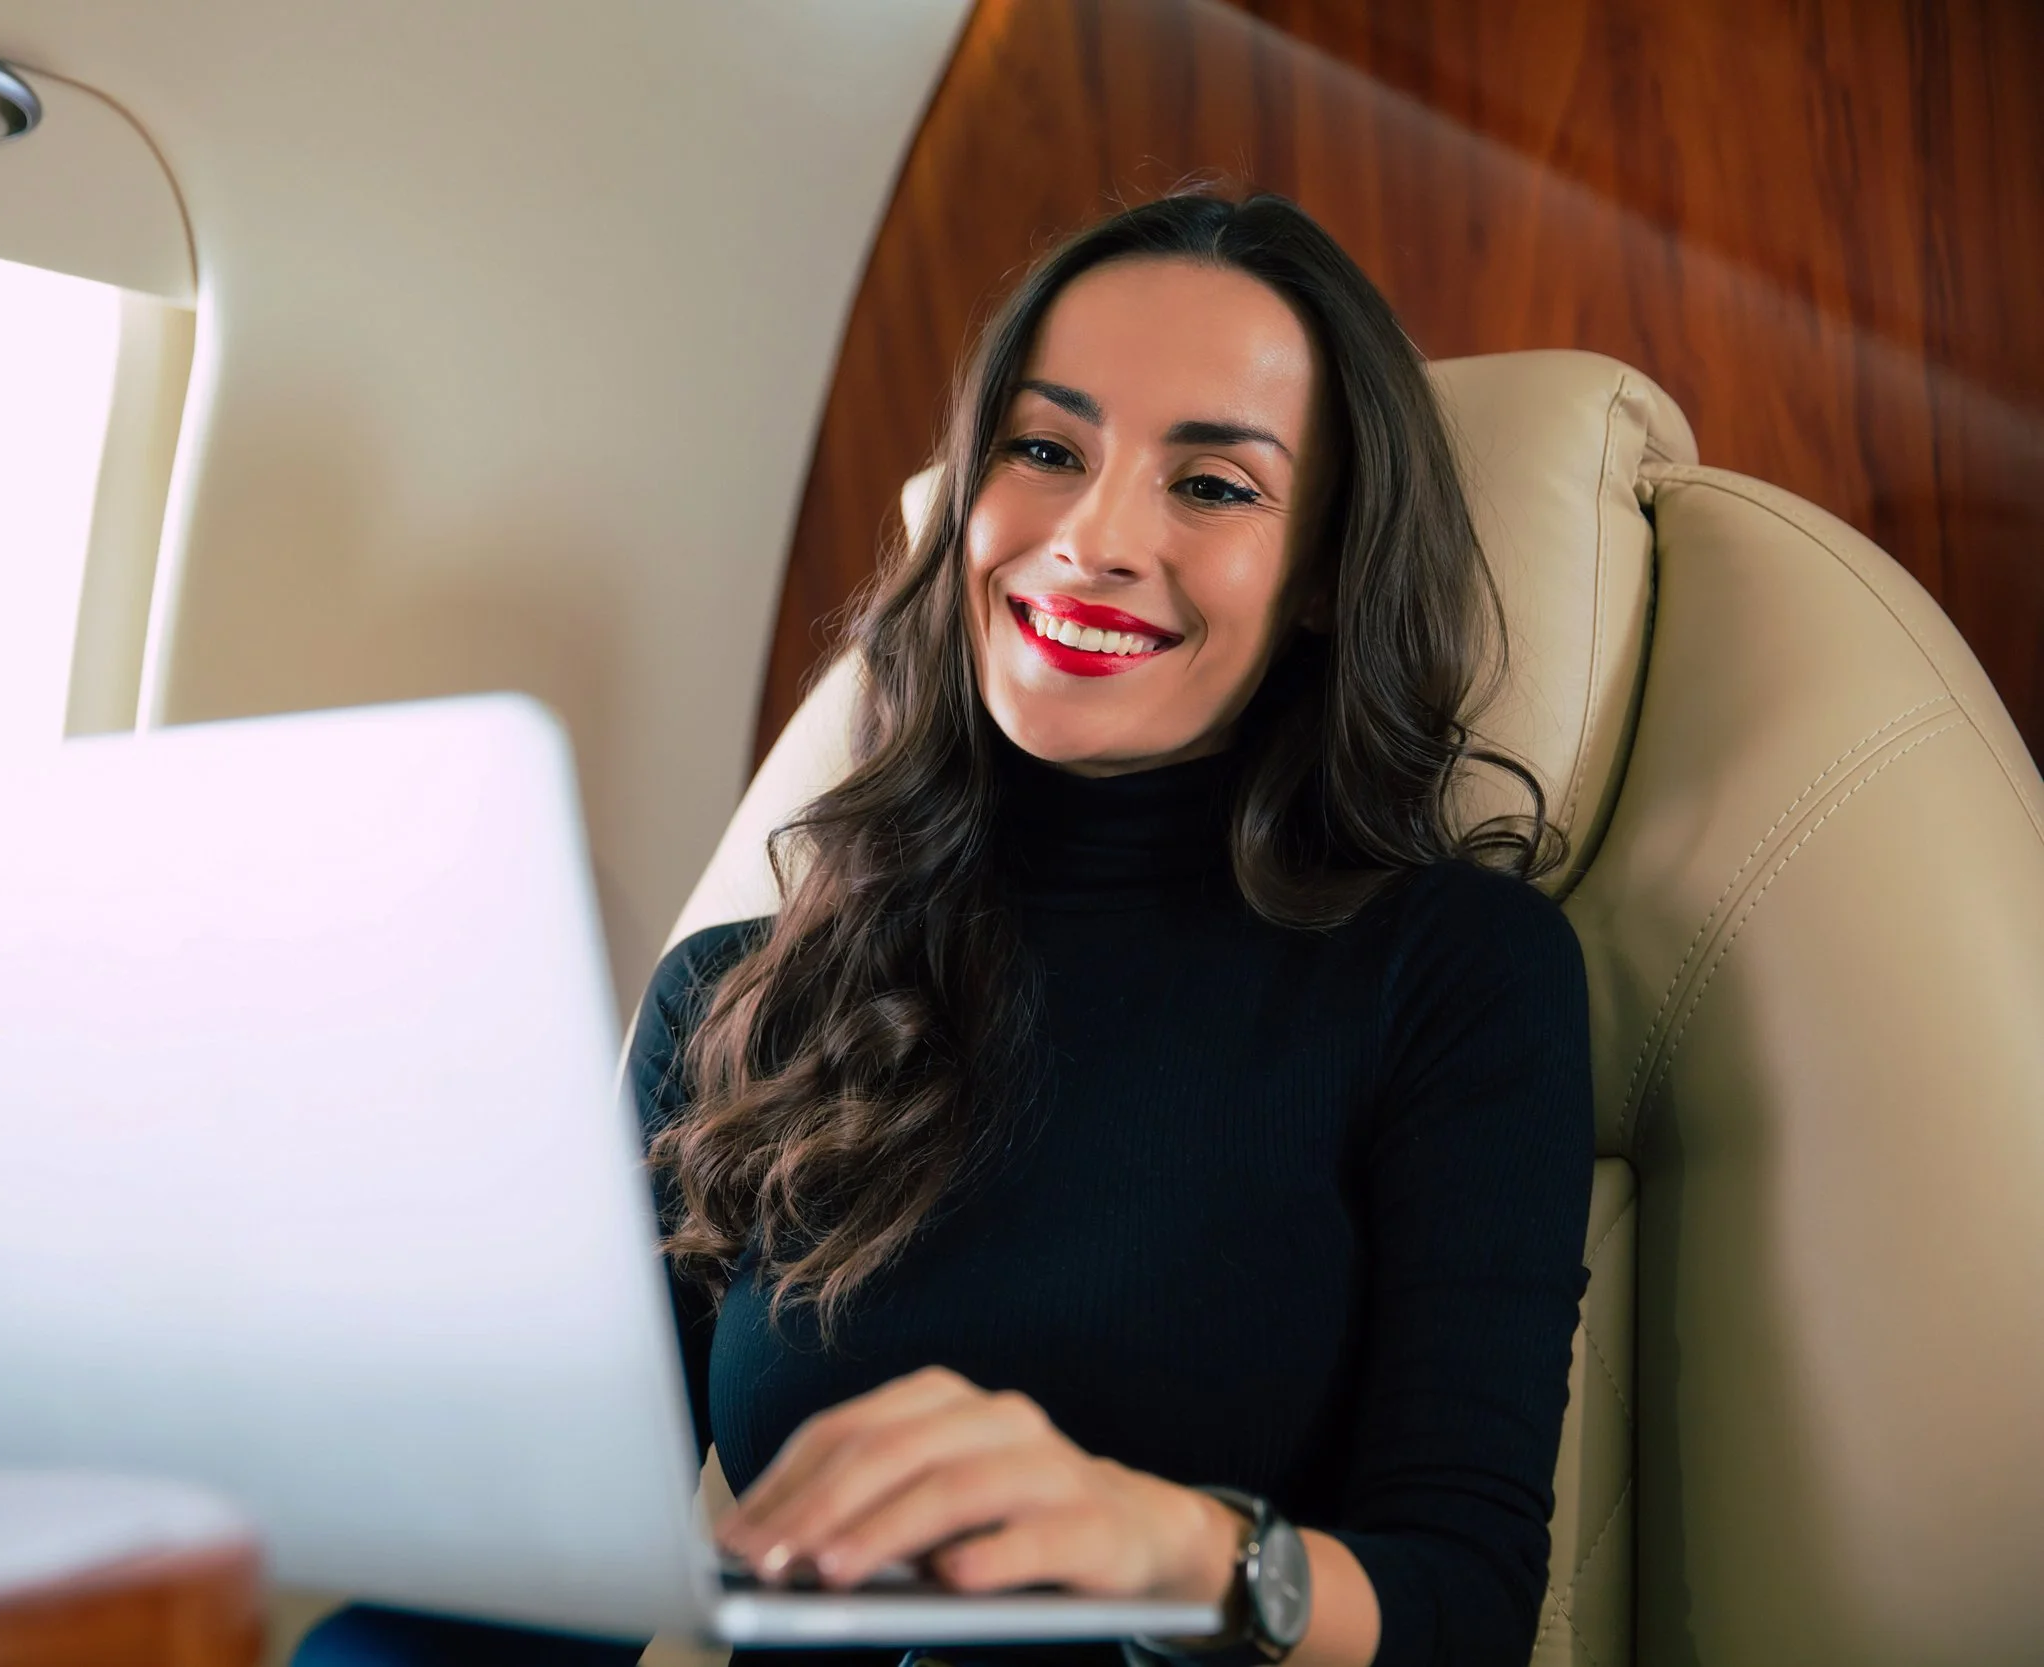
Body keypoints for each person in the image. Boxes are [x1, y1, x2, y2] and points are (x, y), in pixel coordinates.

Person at [299, 189, 1592, 1667]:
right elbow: (530, 1591)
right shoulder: (736, 1001)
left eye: (1214, 486)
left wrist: (1176, 1546)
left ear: (1319, 579)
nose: (1095, 538)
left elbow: (1465, 1604)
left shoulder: (1454, 971)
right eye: (1046, 450)